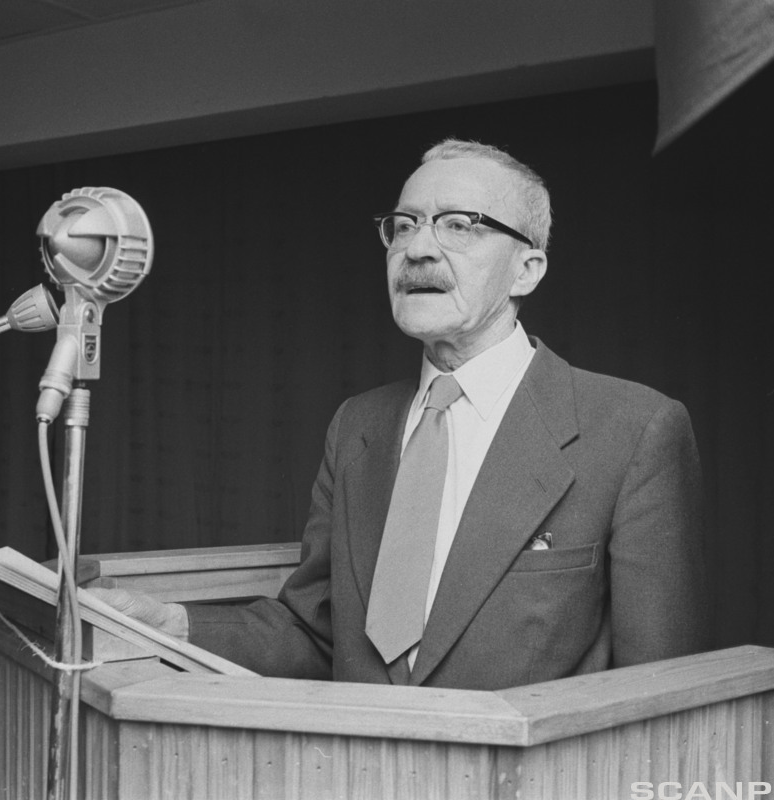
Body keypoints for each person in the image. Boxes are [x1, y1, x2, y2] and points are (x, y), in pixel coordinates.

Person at [93, 138, 711, 690]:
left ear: (527, 270)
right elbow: (318, 635)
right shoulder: (357, 426)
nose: (417, 249)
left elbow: (657, 693)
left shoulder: (634, 430)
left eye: (459, 225)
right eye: (403, 225)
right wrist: (171, 626)